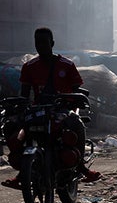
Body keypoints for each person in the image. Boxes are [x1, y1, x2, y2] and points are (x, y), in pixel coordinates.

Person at [2, 27, 99, 190]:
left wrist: (76, 101)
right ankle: (22, 173)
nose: (40, 46)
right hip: (38, 110)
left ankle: (81, 167)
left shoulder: (67, 65)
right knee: (12, 127)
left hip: (64, 111)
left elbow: (77, 90)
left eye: (44, 42)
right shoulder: (29, 67)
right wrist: (17, 107)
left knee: (78, 124)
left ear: (52, 43)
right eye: (37, 42)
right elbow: (25, 95)